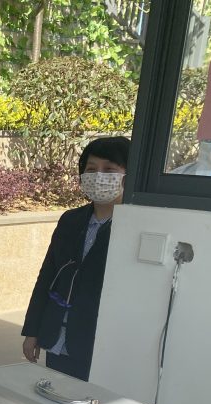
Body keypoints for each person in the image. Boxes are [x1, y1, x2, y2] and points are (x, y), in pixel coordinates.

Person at [21, 136, 131, 381]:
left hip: (99, 344)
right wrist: (33, 331)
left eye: (109, 170)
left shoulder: (135, 228)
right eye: (91, 169)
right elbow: (47, 276)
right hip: (57, 338)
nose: (99, 176)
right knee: (56, 394)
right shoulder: (71, 220)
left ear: (128, 176)